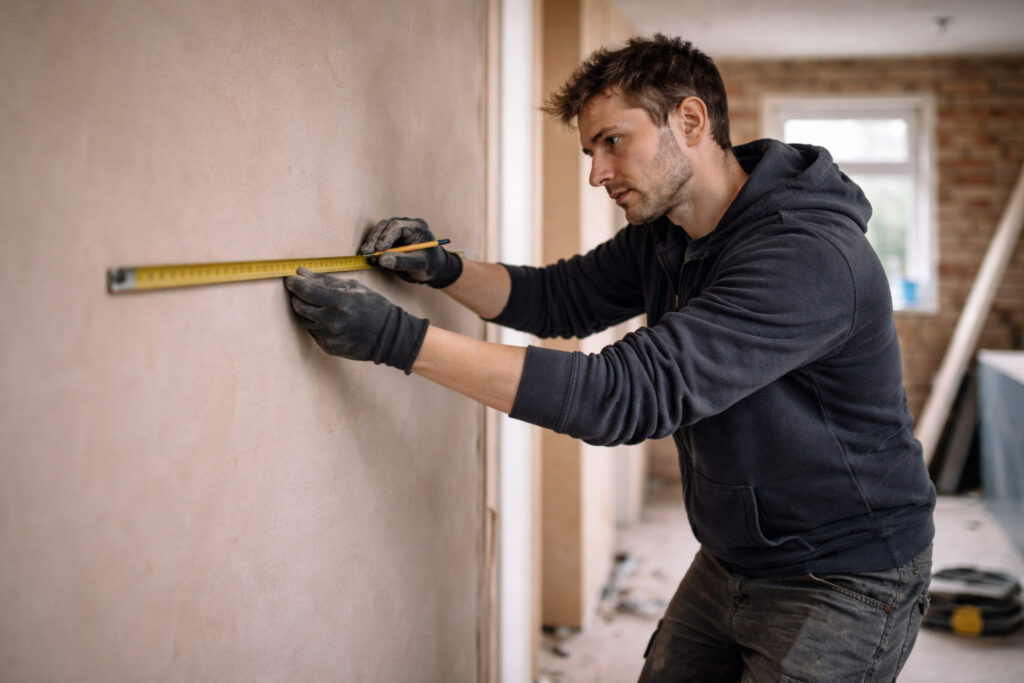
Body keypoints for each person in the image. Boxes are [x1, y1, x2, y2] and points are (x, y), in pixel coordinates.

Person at [285, 34, 935, 682]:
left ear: (689, 120)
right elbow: (558, 298)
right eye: (590, 150)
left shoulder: (807, 254)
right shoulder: (666, 232)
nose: (597, 173)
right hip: (732, 555)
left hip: (847, 571)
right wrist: (444, 268)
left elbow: (625, 395)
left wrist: (397, 340)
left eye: (613, 142)